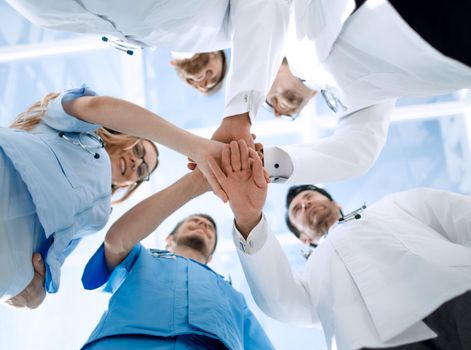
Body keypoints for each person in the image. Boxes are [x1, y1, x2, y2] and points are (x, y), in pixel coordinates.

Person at [207, 140, 471, 350]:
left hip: (455, 293)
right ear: (304, 239)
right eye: (297, 210)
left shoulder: (396, 205)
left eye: (309, 197)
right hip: (371, 342)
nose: (305, 204)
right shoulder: (310, 277)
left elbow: (462, 217)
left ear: (337, 203)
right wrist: (249, 216)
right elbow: (280, 302)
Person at [1, 85, 224, 308]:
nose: (137, 163)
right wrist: (197, 148)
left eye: (143, 171)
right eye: (137, 150)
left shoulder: (99, 216)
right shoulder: (78, 130)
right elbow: (101, 107)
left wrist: (33, 294)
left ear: (130, 184)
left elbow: (53, 258)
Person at [6, 0, 290, 148]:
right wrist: (238, 116)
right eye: (212, 75)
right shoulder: (221, 28)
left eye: (199, 85)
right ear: (217, 55)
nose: (203, 80)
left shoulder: (139, 39)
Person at [80, 168, 274, 349]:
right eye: (195, 221)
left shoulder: (234, 297)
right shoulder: (138, 258)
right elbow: (116, 241)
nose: (203, 225)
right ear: (168, 239)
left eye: (209, 228)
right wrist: (197, 180)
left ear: (211, 256)